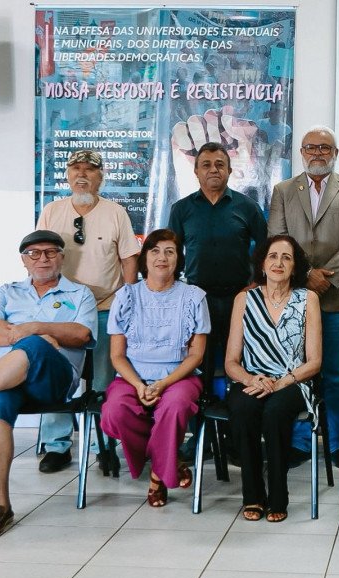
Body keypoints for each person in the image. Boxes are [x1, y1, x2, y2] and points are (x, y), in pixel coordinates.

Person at [0, 231, 96, 536]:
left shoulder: (79, 293)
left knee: (34, 345)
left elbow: (81, 334)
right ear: (24, 260)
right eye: (34, 253)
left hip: (53, 382)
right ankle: (0, 506)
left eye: (50, 252)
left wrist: (35, 329)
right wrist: (44, 336)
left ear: (62, 257)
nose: (42, 258)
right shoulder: (7, 292)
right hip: (6, 384)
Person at [269, 125, 339, 466]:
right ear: (302, 152)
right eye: (311, 147)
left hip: (337, 299)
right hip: (293, 298)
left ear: (335, 153)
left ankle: (337, 444)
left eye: (325, 148)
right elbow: (277, 238)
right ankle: (301, 442)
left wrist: (326, 277)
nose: (317, 153)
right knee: (296, 371)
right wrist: (305, 274)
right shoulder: (283, 190)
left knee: (337, 376)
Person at [36, 149, 140, 474]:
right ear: (67, 175)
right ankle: (57, 446)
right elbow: (38, 256)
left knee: (104, 380)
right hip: (62, 312)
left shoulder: (116, 213)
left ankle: (102, 445)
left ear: (101, 176)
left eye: (90, 169)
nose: (82, 174)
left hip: (106, 308)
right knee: (58, 375)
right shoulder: (52, 211)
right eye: (76, 168)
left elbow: (129, 259)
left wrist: (127, 301)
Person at [100, 230, 210, 507]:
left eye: (170, 251)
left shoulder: (194, 297)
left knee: (175, 406)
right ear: (145, 258)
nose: (162, 257)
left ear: (178, 259)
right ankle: (170, 460)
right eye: (155, 251)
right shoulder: (126, 296)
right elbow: (117, 356)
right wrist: (139, 385)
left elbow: (196, 355)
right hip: (132, 377)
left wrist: (162, 384)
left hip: (179, 376)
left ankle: (158, 477)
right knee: (114, 412)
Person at [224, 235, 322, 523]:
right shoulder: (244, 299)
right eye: (273, 256)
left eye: (286, 257)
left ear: (295, 266)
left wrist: (281, 383)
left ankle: (278, 496)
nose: (279, 262)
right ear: (262, 263)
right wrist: (251, 380)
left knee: (276, 411)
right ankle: (253, 496)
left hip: (294, 380)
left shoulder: (308, 299)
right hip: (252, 378)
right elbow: (231, 362)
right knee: (243, 408)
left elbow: (314, 361)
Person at [168, 141, 268, 397]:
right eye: (206, 165)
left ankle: (236, 416)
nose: (213, 169)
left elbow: (266, 250)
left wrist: (255, 285)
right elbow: (172, 254)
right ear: (196, 171)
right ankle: (203, 417)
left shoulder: (247, 207)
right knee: (200, 363)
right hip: (197, 298)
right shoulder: (181, 209)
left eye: (220, 164)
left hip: (239, 298)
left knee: (240, 361)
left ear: (229, 170)